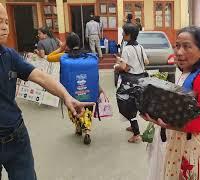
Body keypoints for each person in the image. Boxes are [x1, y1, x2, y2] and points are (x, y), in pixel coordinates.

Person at [0, 4, 93, 179]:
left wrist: (66, 96)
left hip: (16, 135)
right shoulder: (88, 56)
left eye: (6, 21)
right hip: (86, 92)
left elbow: (41, 76)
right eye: (0, 21)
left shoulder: (9, 55)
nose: (5, 26)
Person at [141, 26, 200, 180]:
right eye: (177, 46)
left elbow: (199, 124)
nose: (179, 52)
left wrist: (164, 124)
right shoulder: (184, 74)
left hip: (194, 150)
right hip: (180, 146)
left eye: (187, 46)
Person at [48, 32, 105, 145]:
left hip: (72, 92)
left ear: (67, 44)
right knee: (87, 110)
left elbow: (49, 58)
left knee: (75, 109)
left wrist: (61, 48)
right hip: (89, 90)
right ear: (79, 43)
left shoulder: (63, 56)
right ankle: (87, 131)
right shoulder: (89, 56)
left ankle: (78, 128)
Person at [114, 23, 149, 143]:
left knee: (126, 104)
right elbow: (147, 61)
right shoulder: (140, 46)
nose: (122, 34)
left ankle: (136, 134)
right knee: (134, 103)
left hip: (130, 81)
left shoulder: (127, 48)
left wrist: (117, 64)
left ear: (128, 35)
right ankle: (132, 125)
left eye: (124, 32)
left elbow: (125, 68)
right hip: (141, 79)